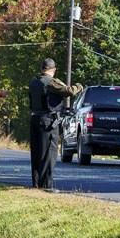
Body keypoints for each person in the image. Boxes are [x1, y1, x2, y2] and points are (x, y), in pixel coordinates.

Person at [27, 58, 82, 190]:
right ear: (54, 70)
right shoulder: (50, 82)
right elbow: (68, 91)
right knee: (48, 153)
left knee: (36, 153)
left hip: (34, 118)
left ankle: (36, 184)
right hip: (47, 121)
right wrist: (78, 86)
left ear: (41, 69)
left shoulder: (34, 81)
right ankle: (46, 185)